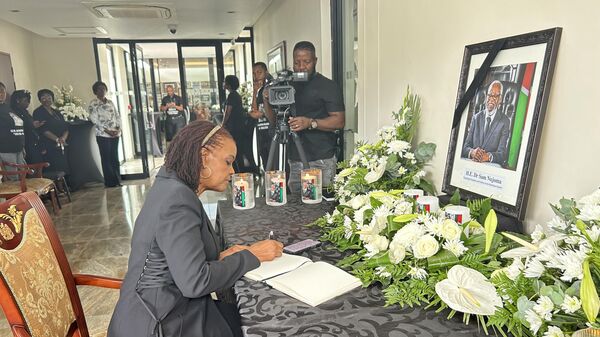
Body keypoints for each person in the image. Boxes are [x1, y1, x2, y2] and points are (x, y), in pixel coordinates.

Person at [108, 121, 283, 337]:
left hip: (162, 310)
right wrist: (252, 255)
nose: (232, 171)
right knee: (264, 324)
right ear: (203, 156)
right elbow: (195, 283)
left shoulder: (171, 185)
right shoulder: (178, 199)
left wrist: (220, 257)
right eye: (228, 162)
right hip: (160, 323)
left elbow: (177, 258)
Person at [264, 41, 345, 193]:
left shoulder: (328, 86)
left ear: (315, 61)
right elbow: (274, 121)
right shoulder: (287, 85)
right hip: (294, 157)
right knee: (296, 205)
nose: (301, 67)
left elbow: (339, 121)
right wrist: (267, 100)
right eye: (297, 62)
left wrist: (310, 123)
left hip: (321, 157)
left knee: (320, 206)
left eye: (306, 62)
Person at [461, 80, 511, 165]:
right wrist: (473, 152)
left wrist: (488, 156)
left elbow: (502, 154)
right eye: (490, 95)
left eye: (496, 96)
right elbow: (465, 147)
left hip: (489, 168)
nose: (491, 98)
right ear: (486, 96)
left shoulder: (505, 121)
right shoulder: (476, 118)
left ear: (500, 99)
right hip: (472, 163)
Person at [88, 81, 122, 188]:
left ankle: (117, 180)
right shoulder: (93, 104)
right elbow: (94, 119)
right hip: (103, 135)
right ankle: (110, 182)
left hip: (115, 134)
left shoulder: (110, 102)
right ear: (95, 91)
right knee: (106, 158)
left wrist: (117, 128)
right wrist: (107, 130)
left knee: (115, 158)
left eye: (103, 88)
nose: (101, 91)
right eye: (99, 89)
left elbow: (117, 116)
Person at [33, 89, 70, 175]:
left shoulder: (57, 112)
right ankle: (57, 187)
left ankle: (65, 185)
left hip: (62, 143)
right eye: (43, 98)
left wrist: (63, 138)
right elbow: (43, 130)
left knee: (63, 165)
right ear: (40, 100)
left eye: (49, 97)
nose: (46, 100)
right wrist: (57, 139)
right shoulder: (38, 112)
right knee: (53, 167)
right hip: (48, 144)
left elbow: (66, 127)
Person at [222, 75, 254, 173]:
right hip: (239, 127)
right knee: (239, 149)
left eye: (225, 82)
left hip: (234, 128)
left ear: (228, 84)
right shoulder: (236, 95)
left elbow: (228, 112)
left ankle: (239, 171)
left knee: (236, 150)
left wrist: (223, 125)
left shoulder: (232, 95)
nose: (223, 84)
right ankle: (241, 171)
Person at [248, 62, 274, 171]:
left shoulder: (271, 88)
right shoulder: (260, 90)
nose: (256, 76)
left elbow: (275, 111)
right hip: (261, 131)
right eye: (254, 73)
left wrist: (262, 113)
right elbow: (255, 108)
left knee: (273, 162)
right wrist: (254, 91)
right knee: (265, 160)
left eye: (259, 72)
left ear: (266, 72)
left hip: (271, 131)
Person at [10, 89, 45, 164]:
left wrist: (35, 124)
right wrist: (32, 125)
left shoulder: (25, 112)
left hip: (33, 143)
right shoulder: (13, 113)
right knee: (32, 166)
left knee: (38, 164)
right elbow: (17, 128)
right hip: (25, 144)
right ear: (17, 100)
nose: (28, 103)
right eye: (26, 100)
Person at [0, 84, 25, 180]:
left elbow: (18, 126)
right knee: (13, 179)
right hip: (5, 150)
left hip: (18, 148)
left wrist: (22, 145)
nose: (1, 94)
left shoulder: (7, 107)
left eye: (2, 91)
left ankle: (24, 195)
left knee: (22, 176)